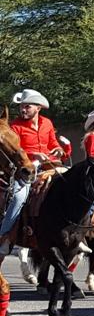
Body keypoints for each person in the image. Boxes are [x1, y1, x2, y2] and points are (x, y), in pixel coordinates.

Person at [0, 89, 71, 254]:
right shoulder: (15, 126)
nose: (23, 110)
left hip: (50, 165)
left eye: (27, 107)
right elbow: (14, 150)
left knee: (76, 185)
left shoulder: (47, 123)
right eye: (21, 107)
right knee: (18, 197)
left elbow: (53, 143)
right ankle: (4, 236)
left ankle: (80, 231)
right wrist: (33, 154)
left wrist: (59, 149)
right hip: (27, 167)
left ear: (38, 108)